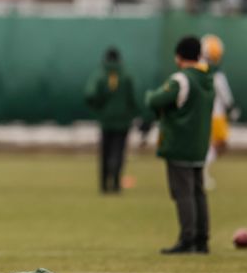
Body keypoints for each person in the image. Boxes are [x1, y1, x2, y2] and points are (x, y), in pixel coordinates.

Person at [145, 35, 215, 254]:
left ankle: (187, 239)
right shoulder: (208, 79)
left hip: (179, 143)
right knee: (198, 192)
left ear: (179, 56)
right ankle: (202, 239)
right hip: (200, 144)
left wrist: (150, 96)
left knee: (183, 193)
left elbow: (155, 100)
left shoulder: (181, 79)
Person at [84, 46, 139, 194]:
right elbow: (133, 99)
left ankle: (103, 185)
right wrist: (133, 114)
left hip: (106, 120)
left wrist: (99, 108)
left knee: (105, 152)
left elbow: (90, 95)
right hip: (123, 122)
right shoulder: (127, 75)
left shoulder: (100, 75)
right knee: (119, 152)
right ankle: (115, 184)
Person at [200, 34, 239, 190]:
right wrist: (231, 108)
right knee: (220, 144)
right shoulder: (216, 74)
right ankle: (201, 171)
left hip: (203, 113)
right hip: (215, 114)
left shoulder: (198, 70)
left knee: (209, 145)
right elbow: (225, 95)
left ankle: (202, 171)